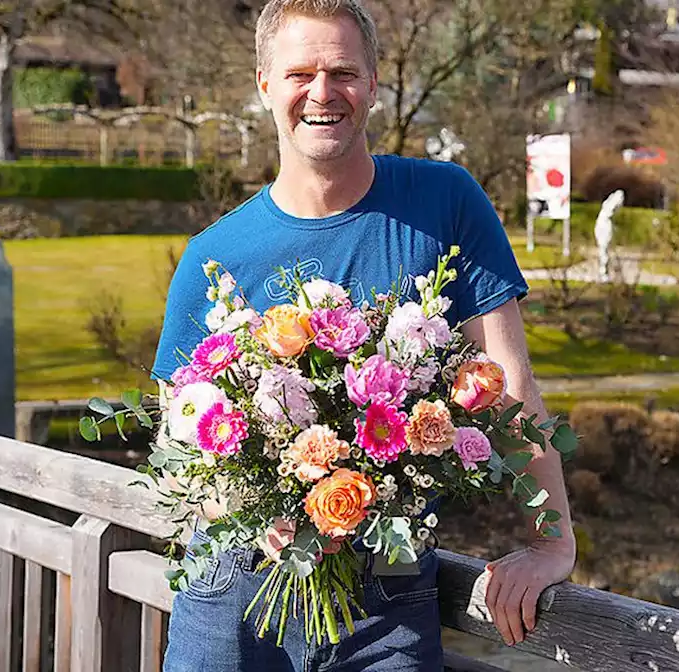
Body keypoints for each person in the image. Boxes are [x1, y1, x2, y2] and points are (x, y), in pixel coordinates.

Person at [153, 0, 575, 669]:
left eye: (344, 72)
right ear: (265, 84)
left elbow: (507, 382)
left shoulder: (445, 205)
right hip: (235, 594)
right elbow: (175, 440)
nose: (322, 93)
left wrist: (549, 541)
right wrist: (258, 504)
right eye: (299, 73)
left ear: (375, 84)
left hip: (388, 592)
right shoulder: (217, 256)